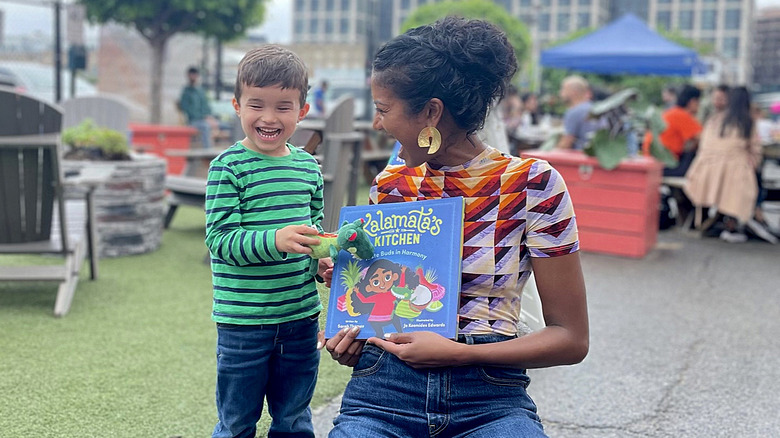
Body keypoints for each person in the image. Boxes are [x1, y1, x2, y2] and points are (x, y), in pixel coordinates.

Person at [319, 17, 589, 437]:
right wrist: (351, 323)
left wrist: (461, 354)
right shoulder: (391, 185)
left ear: (431, 112)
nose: (377, 124)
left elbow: (571, 339)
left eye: (383, 109)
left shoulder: (532, 184)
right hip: (383, 392)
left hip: (490, 398)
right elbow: (383, 303)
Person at [204, 45, 329, 438]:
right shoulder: (228, 167)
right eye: (256, 105)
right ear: (237, 106)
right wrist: (274, 239)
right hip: (243, 324)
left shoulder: (309, 167)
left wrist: (322, 263)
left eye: (283, 106)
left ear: (302, 111)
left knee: (293, 419)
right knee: (237, 421)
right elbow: (220, 240)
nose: (269, 118)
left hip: (301, 318)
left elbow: (313, 233)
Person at [684, 87, 766, 243]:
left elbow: (703, 143)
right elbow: (756, 150)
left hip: (703, 170)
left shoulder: (714, 119)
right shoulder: (747, 122)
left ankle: (714, 221)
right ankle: (749, 218)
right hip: (734, 172)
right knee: (755, 179)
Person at [659, 84, 702, 177]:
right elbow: (705, 139)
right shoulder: (682, 115)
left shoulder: (671, 112)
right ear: (692, 102)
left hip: (656, 163)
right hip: (666, 165)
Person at [178, 66, 218, 149]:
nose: (193, 77)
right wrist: (204, 117)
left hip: (205, 119)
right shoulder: (186, 92)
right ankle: (208, 151)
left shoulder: (201, 90)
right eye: (191, 75)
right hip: (193, 121)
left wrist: (210, 117)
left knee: (227, 126)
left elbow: (206, 106)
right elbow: (186, 109)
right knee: (205, 127)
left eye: (195, 75)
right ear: (188, 76)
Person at [556, 75, 598, 150]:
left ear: (573, 92)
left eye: (563, 89)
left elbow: (566, 143)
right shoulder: (595, 108)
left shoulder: (574, 112)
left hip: (580, 157)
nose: (560, 93)